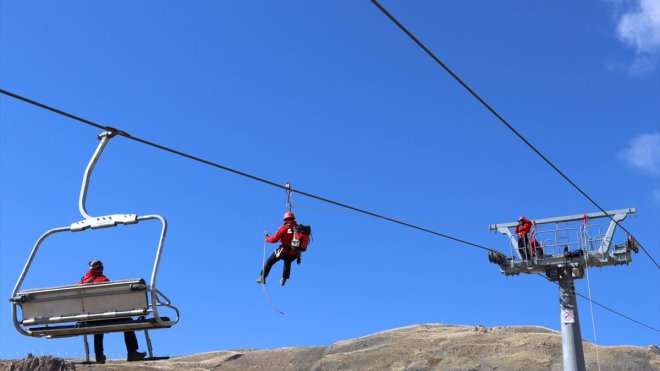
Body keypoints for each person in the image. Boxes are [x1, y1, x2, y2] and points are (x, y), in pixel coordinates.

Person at [78, 260, 147, 364]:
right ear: (99, 269)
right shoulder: (103, 280)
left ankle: (99, 356)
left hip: (88, 319)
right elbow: (112, 300)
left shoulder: (80, 283)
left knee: (97, 324)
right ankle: (132, 352)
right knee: (128, 320)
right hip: (103, 315)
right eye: (101, 267)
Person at [257, 211, 301, 286]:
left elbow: (274, 240)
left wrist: (267, 238)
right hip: (295, 253)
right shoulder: (299, 228)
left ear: (286, 219)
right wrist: (299, 257)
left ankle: (263, 277)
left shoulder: (283, 228)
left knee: (270, 261)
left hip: (283, 251)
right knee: (288, 261)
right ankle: (284, 278)